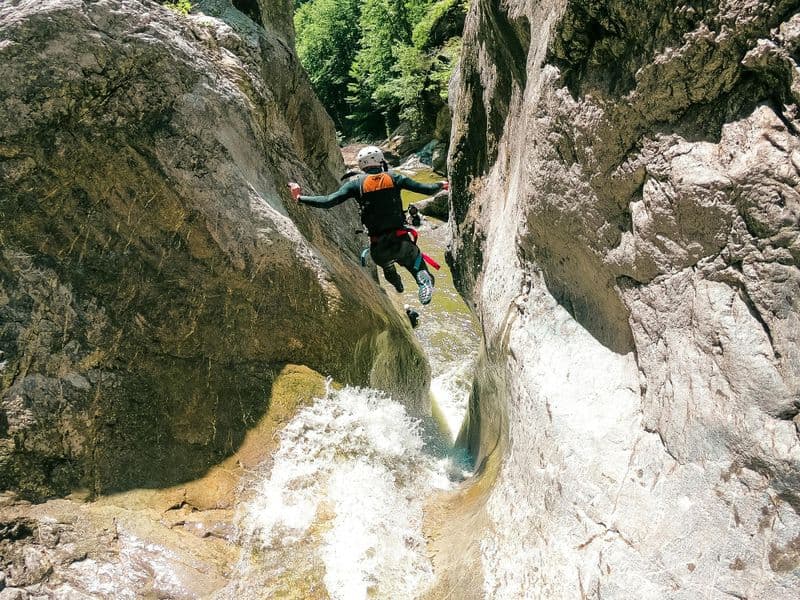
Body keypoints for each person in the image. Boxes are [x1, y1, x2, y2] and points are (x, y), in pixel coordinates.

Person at [288, 146, 448, 305]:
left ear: (361, 165)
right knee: (415, 262)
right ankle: (422, 279)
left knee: (387, 266)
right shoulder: (395, 178)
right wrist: (441, 184)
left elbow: (328, 201)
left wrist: (300, 197)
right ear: (380, 161)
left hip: (378, 248)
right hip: (402, 241)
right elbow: (426, 190)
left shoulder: (355, 185)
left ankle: (397, 284)